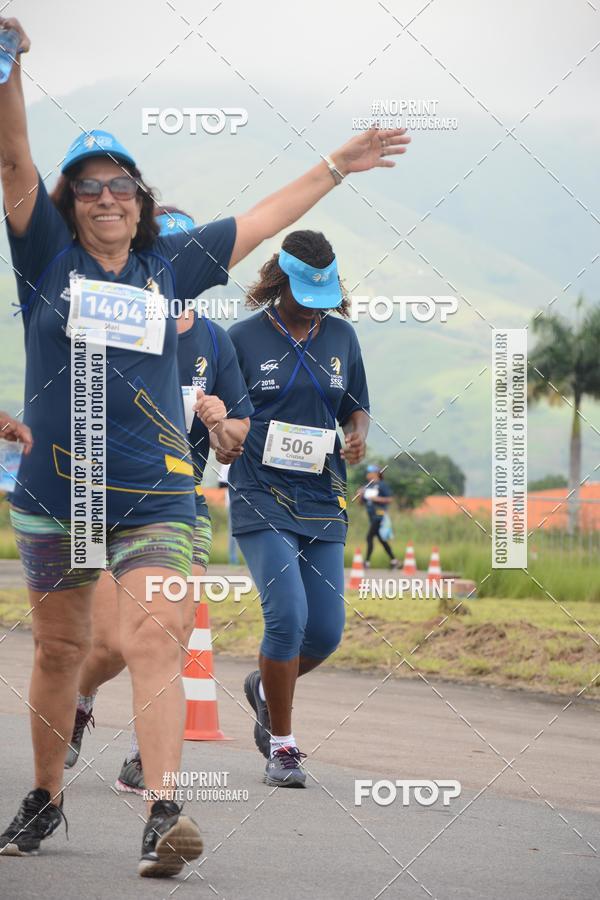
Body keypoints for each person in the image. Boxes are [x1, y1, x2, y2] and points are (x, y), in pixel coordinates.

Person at [0, 14, 409, 872]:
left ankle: (163, 812)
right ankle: (43, 797)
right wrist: (6, 67)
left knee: (156, 635)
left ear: (142, 202)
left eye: (121, 186)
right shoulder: (44, 258)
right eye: (88, 187)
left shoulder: (174, 265)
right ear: (71, 206)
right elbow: (13, 164)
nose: (105, 197)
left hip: (157, 494)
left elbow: (264, 219)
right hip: (59, 495)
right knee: (63, 651)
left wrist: (340, 163)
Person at [63, 208, 252, 796]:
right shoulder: (108, 321)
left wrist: (222, 422)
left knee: (169, 627)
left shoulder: (215, 342)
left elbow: (237, 441)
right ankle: (79, 698)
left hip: (177, 502)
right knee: (111, 643)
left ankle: (149, 762)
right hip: (102, 497)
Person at [218, 230, 370, 788]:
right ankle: (281, 745)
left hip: (322, 495)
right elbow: (221, 417)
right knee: (287, 616)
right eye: (303, 289)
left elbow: (356, 410)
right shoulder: (240, 339)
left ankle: (264, 685)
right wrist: (222, 436)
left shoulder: (343, 338)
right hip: (259, 492)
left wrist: (356, 437)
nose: (312, 301)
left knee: (325, 632)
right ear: (280, 280)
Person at [360, 464, 398, 568]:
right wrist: (360, 495)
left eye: (369, 472)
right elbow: (362, 502)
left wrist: (377, 499)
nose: (367, 475)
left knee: (369, 537)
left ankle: (366, 562)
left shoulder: (382, 485)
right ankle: (394, 561)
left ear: (376, 474)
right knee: (381, 539)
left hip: (379, 515)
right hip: (371, 516)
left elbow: (390, 499)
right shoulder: (367, 486)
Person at [217, 463, 240, 565]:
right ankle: (233, 559)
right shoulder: (227, 464)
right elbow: (221, 484)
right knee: (233, 532)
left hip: (250, 502)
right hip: (233, 502)